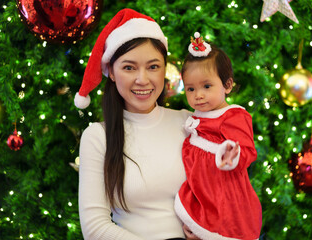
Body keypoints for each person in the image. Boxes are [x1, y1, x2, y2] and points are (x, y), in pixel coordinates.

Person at [74, 9, 191, 240]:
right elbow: (95, 228)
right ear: (112, 72)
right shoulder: (98, 137)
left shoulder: (188, 123)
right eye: (129, 67)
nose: (142, 79)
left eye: (153, 66)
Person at [174, 32, 262, 240]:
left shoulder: (232, 116)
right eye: (190, 89)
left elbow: (247, 150)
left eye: (206, 86)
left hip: (223, 192)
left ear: (227, 85)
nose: (198, 95)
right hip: (203, 191)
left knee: (223, 229)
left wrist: (232, 154)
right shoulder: (198, 114)